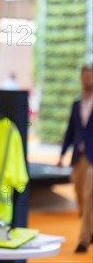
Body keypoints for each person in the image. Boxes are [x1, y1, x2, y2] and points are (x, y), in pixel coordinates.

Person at [58, 65, 93, 253]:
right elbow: (70, 131)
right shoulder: (76, 104)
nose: (87, 79)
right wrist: (62, 154)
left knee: (90, 196)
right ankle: (91, 227)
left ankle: (84, 239)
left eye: (90, 76)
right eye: (85, 76)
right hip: (78, 156)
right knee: (79, 194)